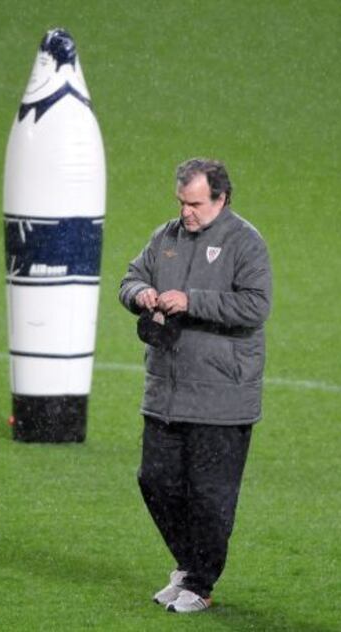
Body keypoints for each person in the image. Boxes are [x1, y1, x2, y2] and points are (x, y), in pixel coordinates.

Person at [119, 158, 272, 614]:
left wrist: (192, 301)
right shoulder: (165, 238)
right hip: (166, 392)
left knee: (209, 497)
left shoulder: (245, 243)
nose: (186, 212)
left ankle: (200, 583)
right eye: (182, 202)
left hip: (222, 397)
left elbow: (256, 306)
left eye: (196, 204)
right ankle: (189, 567)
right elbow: (130, 278)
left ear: (221, 199)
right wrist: (139, 295)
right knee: (156, 481)